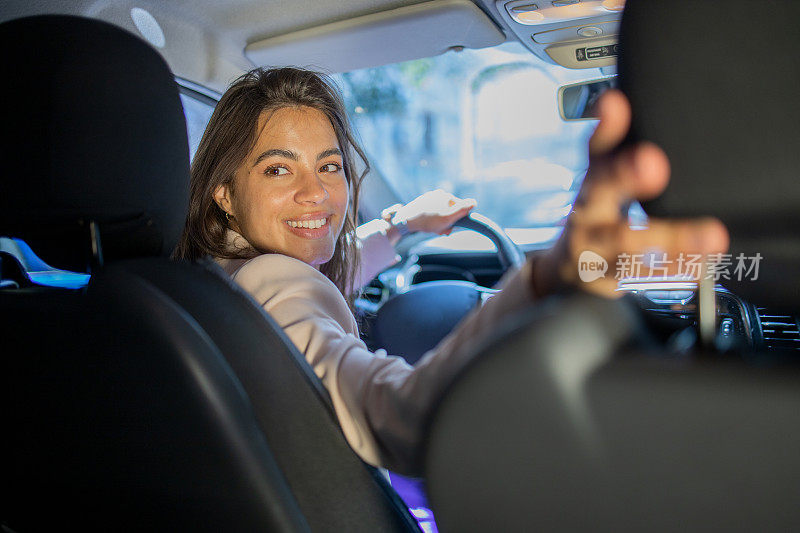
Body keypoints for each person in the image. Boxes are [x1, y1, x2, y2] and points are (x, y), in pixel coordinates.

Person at [173, 67, 728, 475]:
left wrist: (399, 226)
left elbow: (320, 283)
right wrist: (541, 277)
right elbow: (394, 413)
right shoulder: (279, 281)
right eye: (278, 169)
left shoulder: (210, 279)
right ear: (224, 192)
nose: (316, 193)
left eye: (330, 165)